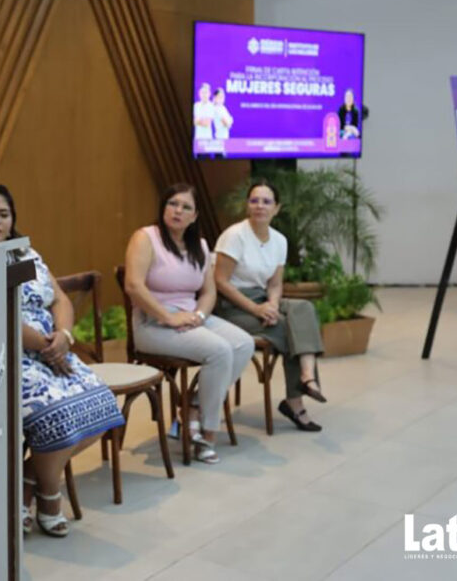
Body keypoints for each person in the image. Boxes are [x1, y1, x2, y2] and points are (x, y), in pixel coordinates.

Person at [0, 183, 124, 537]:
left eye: (3, 214)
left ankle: (28, 479)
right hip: (3, 359)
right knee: (55, 418)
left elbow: (59, 299)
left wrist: (65, 337)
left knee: (104, 409)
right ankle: (50, 495)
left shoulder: (26, 252)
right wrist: (48, 347)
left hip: (53, 350)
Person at [122, 183, 254, 463]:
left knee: (243, 343)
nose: (177, 211)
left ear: (194, 216)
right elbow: (133, 285)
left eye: (185, 207)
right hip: (152, 324)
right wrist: (168, 317)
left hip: (190, 318)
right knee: (220, 351)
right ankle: (207, 435)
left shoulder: (200, 246)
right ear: (163, 207)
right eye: (172, 204)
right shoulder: (145, 238)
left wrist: (199, 317)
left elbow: (208, 292)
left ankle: (191, 407)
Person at [213, 180, 327, 432]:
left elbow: (275, 283)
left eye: (266, 202)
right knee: (288, 328)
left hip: (262, 297)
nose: (260, 206)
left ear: (276, 208)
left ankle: (307, 376)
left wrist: (272, 305)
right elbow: (220, 282)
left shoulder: (279, 240)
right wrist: (256, 310)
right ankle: (295, 403)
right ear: (247, 206)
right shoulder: (235, 236)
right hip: (232, 304)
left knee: (304, 308)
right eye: (254, 201)